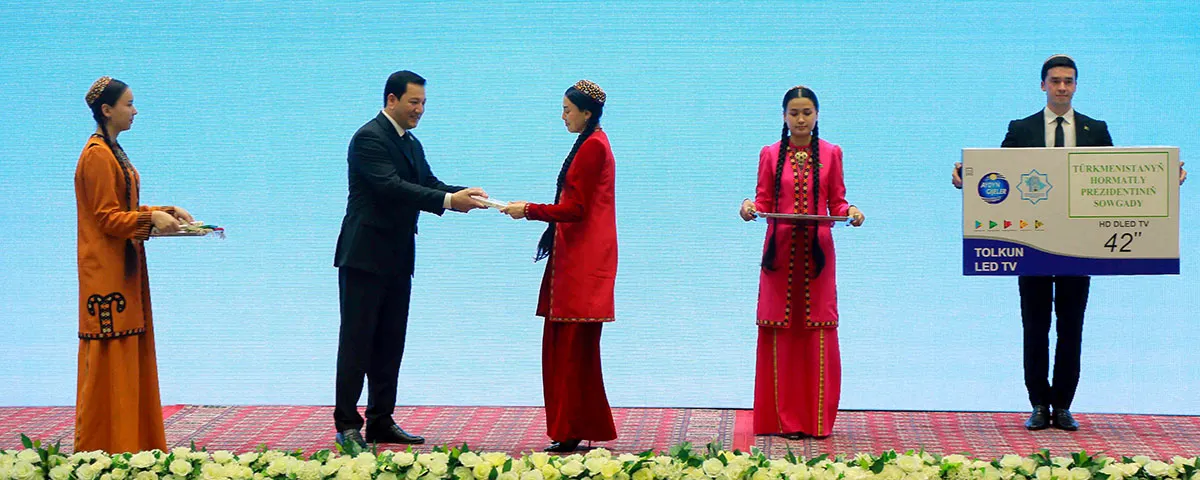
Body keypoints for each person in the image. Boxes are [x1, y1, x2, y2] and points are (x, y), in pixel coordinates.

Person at [950, 55, 1186, 431]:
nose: (1062, 87)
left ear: (1076, 86)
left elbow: (1120, 181)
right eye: (1056, 80)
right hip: (1031, 245)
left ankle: (1062, 405)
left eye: (1069, 81)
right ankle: (1037, 403)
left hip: (1079, 247)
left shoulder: (1096, 129)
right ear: (1042, 85)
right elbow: (995, 174)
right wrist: (966, 178)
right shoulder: (1021, 129)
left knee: (1071, 328)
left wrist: (1166, 180)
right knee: (1035, 327)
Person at [333, 70, 489, 447]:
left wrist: (463, 194)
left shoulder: (411, 142)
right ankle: (347, 425)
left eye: (423, 103)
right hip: (364, 256)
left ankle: (381, 420)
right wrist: (449, 201)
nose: (419, 110)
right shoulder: (369, 137)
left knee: (390, 343)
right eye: (413, 102)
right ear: (391, 100)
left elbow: (427, 184)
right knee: (357, 342)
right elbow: (391, 187)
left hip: (398, 257)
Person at [75, 76, 194, 453]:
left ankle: (135, 445)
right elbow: (107, 217)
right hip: (105, 273)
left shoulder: (113, 151)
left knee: (131, 353)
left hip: (124, 269)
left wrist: (163, 211)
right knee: (112, 356)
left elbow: (121, 208)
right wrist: (150, 219)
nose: (134, 111)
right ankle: (103, 448)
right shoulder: (97, 155)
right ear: (106, 110)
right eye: (128, 104)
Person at [738, 85, 864, 439]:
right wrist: (749, 207)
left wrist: (851, 211)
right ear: (784, 116)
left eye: (807, 112)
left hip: (817, 257)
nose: (800, 119)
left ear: (817, 115)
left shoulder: (831, 153)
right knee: (779, 330)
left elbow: (837, 202)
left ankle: (815, 421)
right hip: (779, 256)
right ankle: (782, 421)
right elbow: (763, 201)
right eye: (794, 113)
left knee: (817, 330)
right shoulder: (769, 154)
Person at [500, 80, 618, 452]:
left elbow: (576, 208)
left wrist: (528, 210)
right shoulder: (591, 142)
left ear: (586, 112)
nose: (563, 116)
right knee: (570, 349)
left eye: (568, 109)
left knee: (570, 351)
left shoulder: (593, 147)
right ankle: (573, 426)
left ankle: (570, 429)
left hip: (582, 263)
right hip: (575, 258)